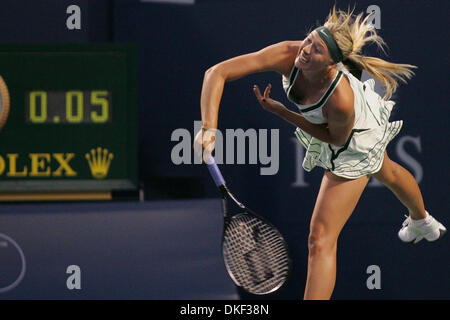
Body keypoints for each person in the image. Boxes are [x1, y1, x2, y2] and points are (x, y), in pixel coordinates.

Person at [193, 7, 446, 300]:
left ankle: (421, 220)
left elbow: (335, 140)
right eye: (309, 39)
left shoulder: (340, 100)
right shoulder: (290, 53)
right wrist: (209, 128)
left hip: (352, 138)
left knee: (320, 239)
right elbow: (217, 72)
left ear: (330, 64)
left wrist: (283, 112)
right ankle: (422, 221)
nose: (306, 49)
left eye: (317, 50)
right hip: (336, 127)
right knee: (386, 169)